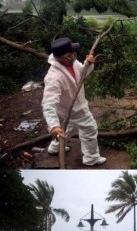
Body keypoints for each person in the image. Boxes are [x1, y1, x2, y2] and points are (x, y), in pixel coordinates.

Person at [42, 37, 106, 166]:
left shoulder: (72, 63)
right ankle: (91, 158)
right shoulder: (53, 77)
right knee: (90, 128)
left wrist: (89, 64)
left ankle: (55, 147)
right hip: (75, 108)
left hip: (73, 107)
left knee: (68, 128)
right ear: (66, 57)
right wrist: (54, 125)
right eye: (73, 53)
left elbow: (82, 75)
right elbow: (48, 103)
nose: (75, 55)